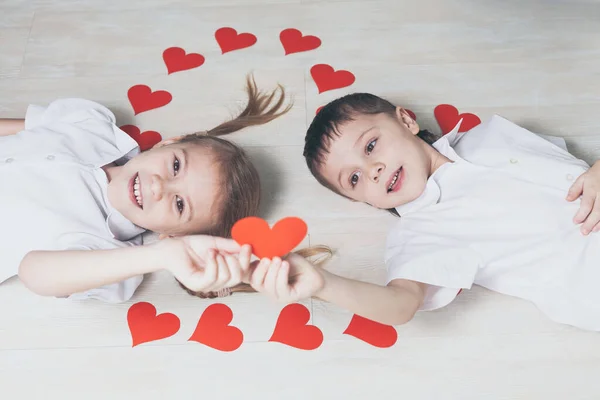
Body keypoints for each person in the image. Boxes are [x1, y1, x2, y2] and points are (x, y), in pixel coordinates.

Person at [246, 92, 600, 332]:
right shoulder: (422, 233)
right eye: (354, 178)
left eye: (371, 146)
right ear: (362, 200)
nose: (373, 170)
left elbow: (570, 167)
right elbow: (401, 303)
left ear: (406, 120)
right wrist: (323, 285)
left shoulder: (490, 135)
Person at [0, 74, 291, 303]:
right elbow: (24, 129)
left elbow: (33, 272)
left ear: (173, 235)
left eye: (180, 204)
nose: (158, 186)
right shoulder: (92, 124)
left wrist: (164, 254)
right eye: (175, 166)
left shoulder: (107, 252)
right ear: (169, 143)